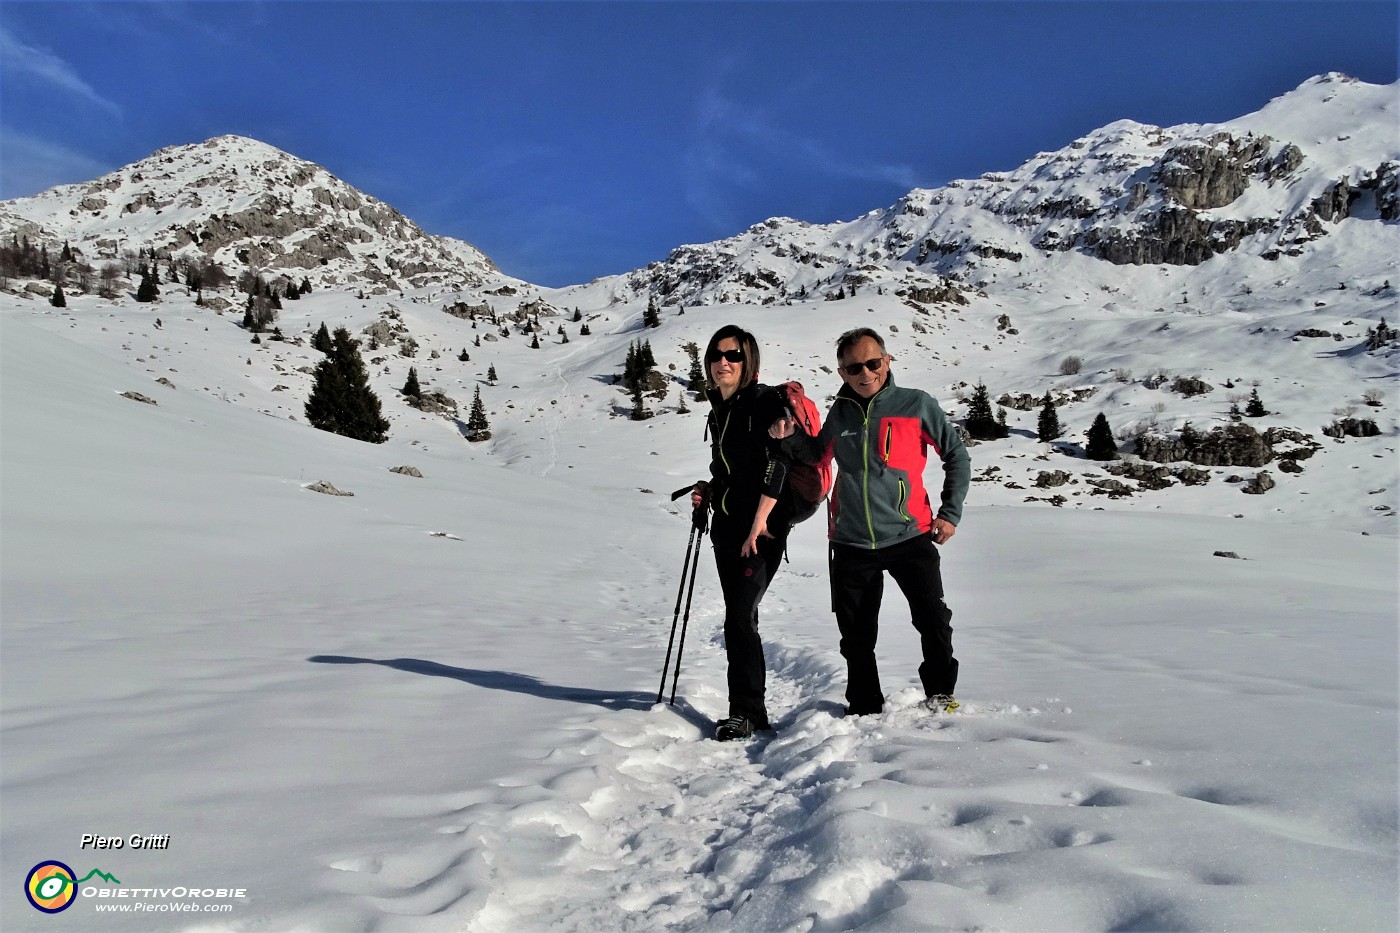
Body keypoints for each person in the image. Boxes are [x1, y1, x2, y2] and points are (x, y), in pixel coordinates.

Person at [771, 327, 971, 716]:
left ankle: (941, 695)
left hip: (909, 535)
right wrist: (789, 436)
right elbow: (817, 455)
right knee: (856, 636)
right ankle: (864, 706)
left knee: (933, 621)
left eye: (872, 363)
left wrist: (949, 514)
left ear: (887, 360)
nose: (865, 373)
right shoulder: (840, 412)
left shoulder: (915, 404)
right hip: (851, 542)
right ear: (842, 372)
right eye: (854, 367)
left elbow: (956, 456)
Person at [690, 325, 793, 741]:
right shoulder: (720, 409)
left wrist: (760, 523)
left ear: (747, 359)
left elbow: (779, 464)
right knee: (740, 616)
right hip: (727, 530)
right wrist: (709, 490)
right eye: (715, 355)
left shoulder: (765, 401)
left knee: (738, 617)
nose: (722, 363)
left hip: (762, 533)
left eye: (731, 355)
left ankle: (746, 711)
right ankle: (753, 710)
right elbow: (728, 470)